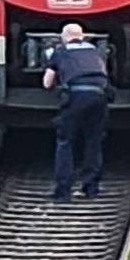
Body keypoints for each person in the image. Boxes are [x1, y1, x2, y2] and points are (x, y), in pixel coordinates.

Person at [43, 23, 110, 199]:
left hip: (76, 96)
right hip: (99, 96)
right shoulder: (95, 52)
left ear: (64, 37)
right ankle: (91, 188)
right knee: (93, 141)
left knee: (65, 141)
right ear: (82, 36)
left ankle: (63, 190)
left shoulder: (60, 52)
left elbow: (47, 83)